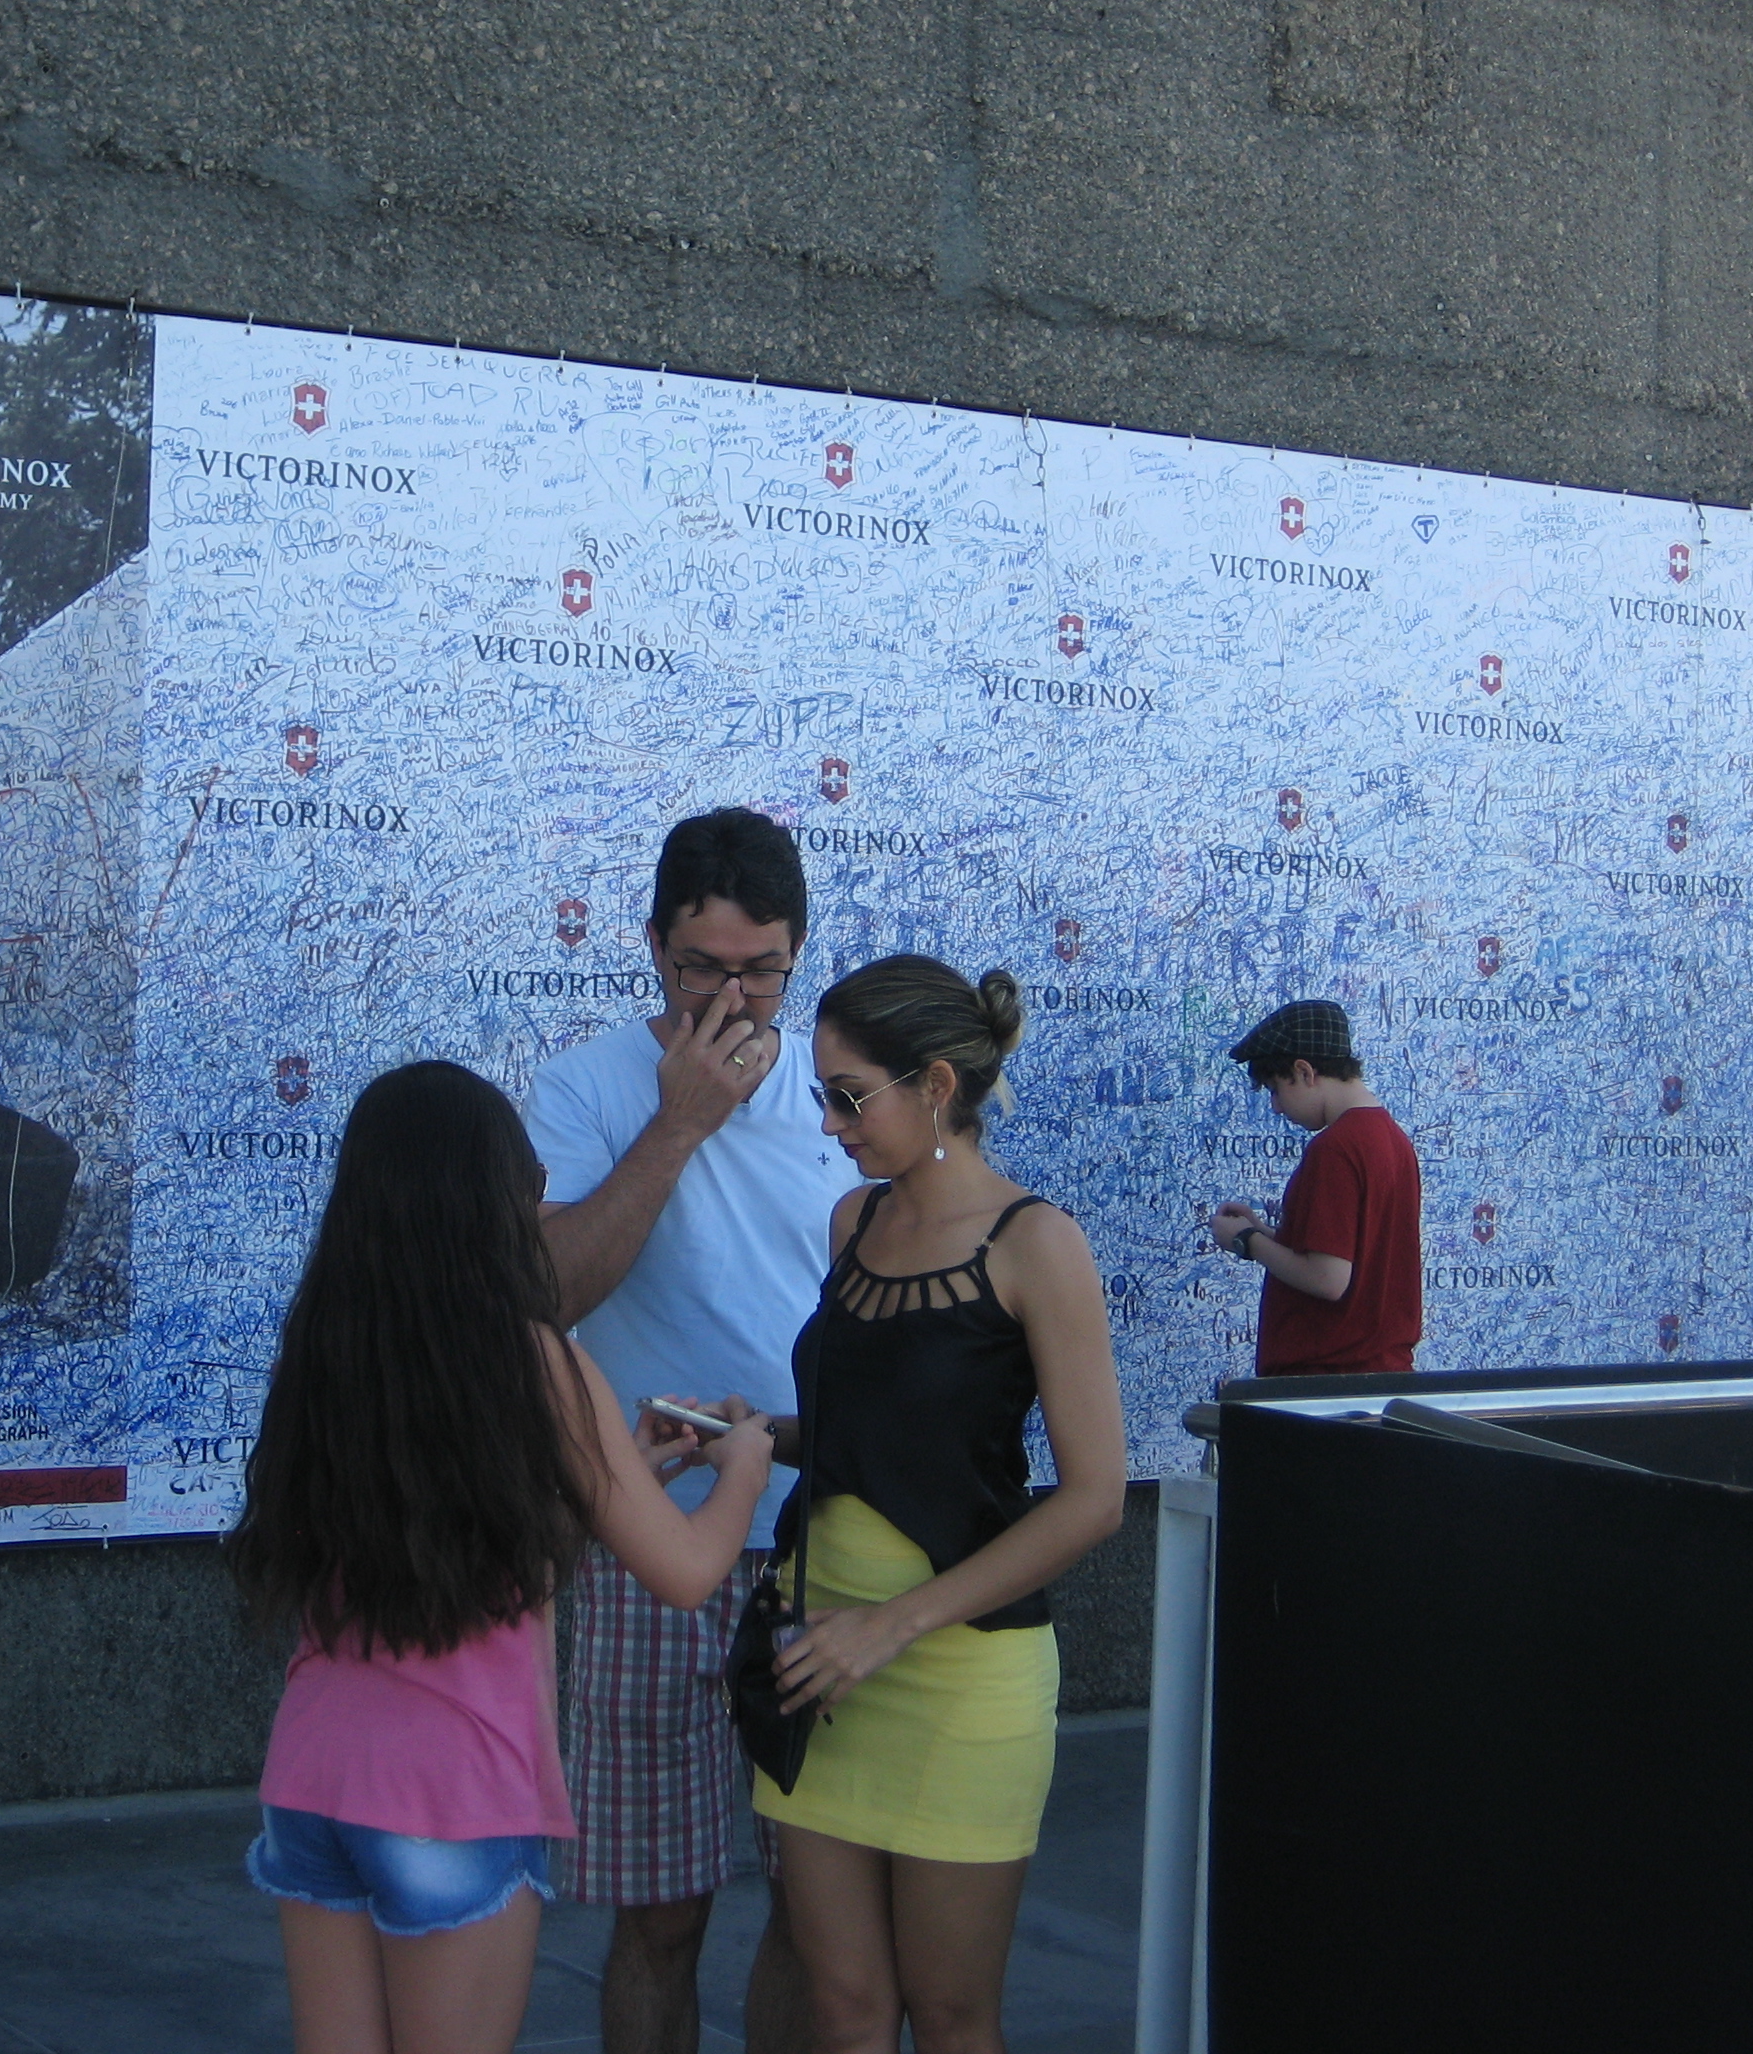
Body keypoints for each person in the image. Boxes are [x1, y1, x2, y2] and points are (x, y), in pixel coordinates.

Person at [228, 1060, 778, 2054]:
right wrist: (743, 1464)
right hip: (455, 1792)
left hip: (311, 1781)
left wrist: (626, 1476)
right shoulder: (535, 1360)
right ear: (494, 1198)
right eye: (528, 1183)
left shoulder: (329, 1346)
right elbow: (690, 1573)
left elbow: (471, 1559)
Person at [758, 955, 1128, 2054]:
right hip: (818, 1662)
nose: (830, 1123)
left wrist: (892, 1626)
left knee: (956, 2018)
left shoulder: (1037, 1244)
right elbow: (867, 1444)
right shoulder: (851, 1226)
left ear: (934, 1087)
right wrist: (746, 1434)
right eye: (820, 1096)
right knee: (847, 2010)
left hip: (961, 1678)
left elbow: (1096, 1499)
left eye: (848, 1096)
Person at [522, 808, 849, 2054]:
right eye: (703, 967)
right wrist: (678, 1124)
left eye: (762, 969)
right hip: (646, 1549)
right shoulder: (589, 1086)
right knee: (660, 1920)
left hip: (821, 1541)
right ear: (652, 946)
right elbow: (546, 1293)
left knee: (822, 1922)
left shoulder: (839, 1088)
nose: (733, 996)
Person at [1208, 999, 1425, 1377]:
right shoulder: (1392, 1139)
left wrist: (1246, 1241)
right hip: (1382, 1376)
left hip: (1327, 1388)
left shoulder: (1336, 1148)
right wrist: (1265, 1232)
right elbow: (1352, 1259)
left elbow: (1328, 1279)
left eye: (1276, 1089)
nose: (1276, 1107)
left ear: (1304, 1071)